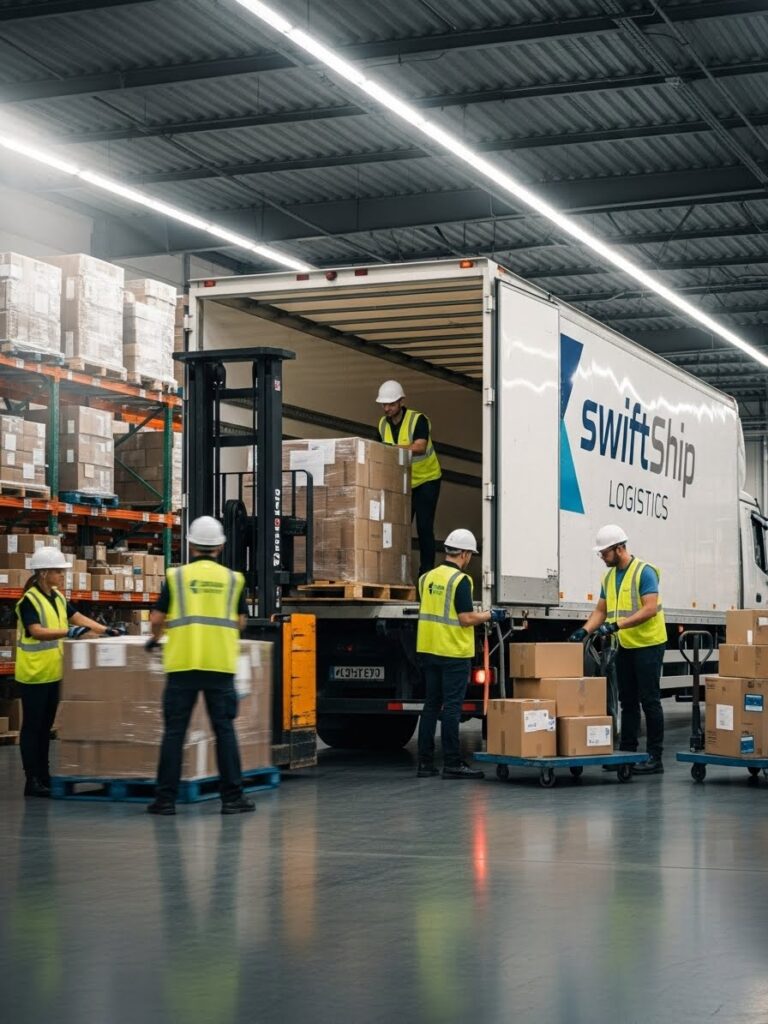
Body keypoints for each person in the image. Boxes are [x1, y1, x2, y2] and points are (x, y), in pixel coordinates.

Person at [145, 515, 255, 816]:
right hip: (220, 665)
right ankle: (232, 798)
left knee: (174, 732)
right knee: (224, 730)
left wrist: (156, 638)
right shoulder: (233, 579)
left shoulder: (176, 577)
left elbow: (157, 618)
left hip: (182, 665)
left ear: (191, 545)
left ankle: (165, 800)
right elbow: (241, 622)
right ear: (220, 546)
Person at [14, 545, 125, 797]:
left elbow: (78, 618)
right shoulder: (28, 600)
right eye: (58, 571)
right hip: (33, 675)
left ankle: (44, 776)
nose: (62, 576)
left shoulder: (57, 597)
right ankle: (32, 780)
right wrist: (68, 632)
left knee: (45, 728)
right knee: (33, 728)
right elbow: (36, 631)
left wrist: (105, 630)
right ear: (44, 573)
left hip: (53, 673)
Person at [568, 524, 667, 775]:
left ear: (619, 548)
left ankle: (655, 758)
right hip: (624, 645)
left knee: (650, 700)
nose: (602, 557)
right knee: (627, 701)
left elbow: (650, 608)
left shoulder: (644, 572)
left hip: (648, 644)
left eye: (604, 552)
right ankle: (627, 755)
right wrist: (584, 631)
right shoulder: (609, 577)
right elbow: (600, 611)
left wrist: (616, 625)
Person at [416, 528, 508, 779]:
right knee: (452, 708)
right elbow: (466, 618)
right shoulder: (461, 581)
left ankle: (425, 764)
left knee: (431, 705)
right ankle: (453, 763)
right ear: (465, 554)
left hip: (429, 649)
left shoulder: (426, 578)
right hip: (453, 652)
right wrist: (490, 615)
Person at [376, 380, 442, 577]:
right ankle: (397, 572)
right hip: (403, 483)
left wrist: (393, 449)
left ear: (401, 401)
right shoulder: (382, 424)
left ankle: (426, 573)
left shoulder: (417, 420)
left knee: (424, 527)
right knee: (399, 528)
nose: (386, 408)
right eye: (384, 404)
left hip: (426, 479)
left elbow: (420, 447)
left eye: (391, 404)